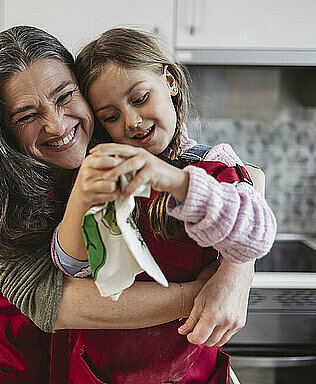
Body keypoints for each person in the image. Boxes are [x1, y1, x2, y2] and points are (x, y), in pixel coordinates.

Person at [0, 26, 256, 384]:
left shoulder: (104, 142)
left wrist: (235, 273)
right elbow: (53, 300)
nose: (57, 124)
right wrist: (207, 296)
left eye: (65, 96)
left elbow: (245, 178)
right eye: (27, 116)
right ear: (0, 131)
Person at [50, 28, 277, 383]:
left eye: (140, 98)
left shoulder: (213, 164)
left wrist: (174, 180)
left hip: (187, 370)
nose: (131, 121)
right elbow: (72, 267)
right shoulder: (102, 172)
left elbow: (255, 235)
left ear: (170, 81)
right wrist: (82, 198)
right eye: (110, 116)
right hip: (99, 372)